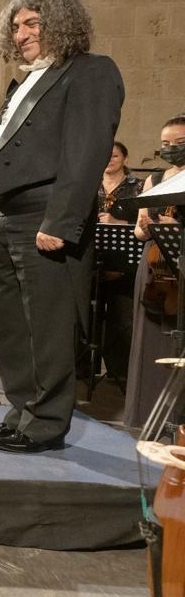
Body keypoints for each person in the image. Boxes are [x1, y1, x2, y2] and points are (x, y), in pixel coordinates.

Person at [0, 0, 124, 453]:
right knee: (13, 323)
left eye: (32, 23)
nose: (21, 34)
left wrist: (61, 221)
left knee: (48, 326)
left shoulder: (90, 72)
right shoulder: (22, 82)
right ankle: (22, 412)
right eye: (15, 26)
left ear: (60, 22)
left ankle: (48, 423)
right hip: (5, 214)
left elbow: (86, 152)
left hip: (45, 212)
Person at [125, 117, 185, 427]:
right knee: (149, 338)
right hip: (153, 267)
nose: (171, 149)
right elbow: (138, 231)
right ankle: (148, 414)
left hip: (182, 270)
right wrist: (145, 227)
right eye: (165, 144)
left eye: (178, 143)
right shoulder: (155, 179)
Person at [94, 142, 142, 388]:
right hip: (93, 261)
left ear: (124, 157)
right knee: (89, 318)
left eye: (114, 155)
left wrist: (118, 222)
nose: (109, 160)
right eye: (105, 155)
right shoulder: (89, 182)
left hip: (123, 263)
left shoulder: (138, 186)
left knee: (121, 320)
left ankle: (120, 373)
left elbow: (144, 219)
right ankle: (84, 370)